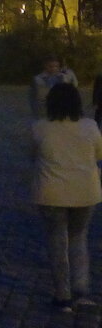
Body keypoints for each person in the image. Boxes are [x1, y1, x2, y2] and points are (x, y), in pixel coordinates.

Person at [32, 81, 101, 312]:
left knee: (57, 242)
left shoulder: (40, 128)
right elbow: (99, 154)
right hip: (85, 191)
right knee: (78, 237)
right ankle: (80, 285)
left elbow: (33, 154)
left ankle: (62, 294)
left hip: (51, 192)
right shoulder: (90, 126)